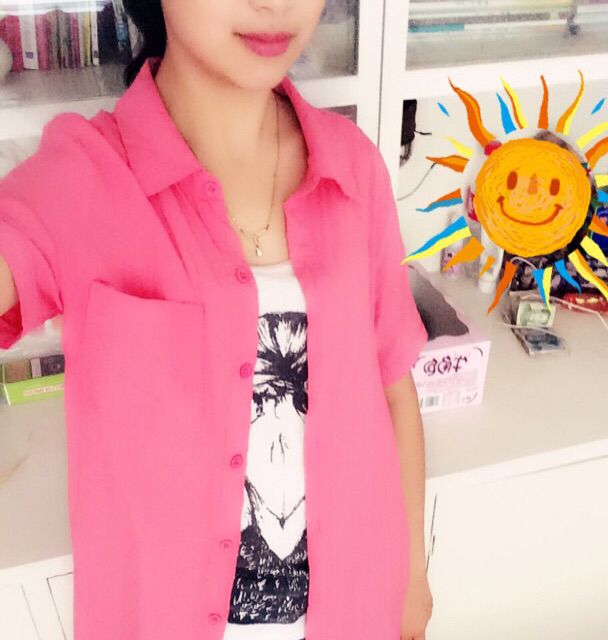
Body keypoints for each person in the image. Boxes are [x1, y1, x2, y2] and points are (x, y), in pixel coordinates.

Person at [0, 1, 433, 638]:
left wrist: (412, 577)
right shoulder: (81, 177)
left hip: (354, 609)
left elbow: (392, 386)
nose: (275, 5)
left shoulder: (353, 165)